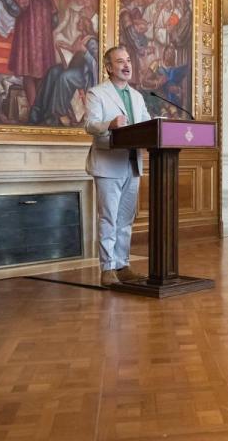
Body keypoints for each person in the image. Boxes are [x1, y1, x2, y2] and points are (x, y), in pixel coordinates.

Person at [84, 45, 151, 286]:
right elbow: (90, 125)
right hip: (108, 164)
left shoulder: (137, 96)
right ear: (109, 67)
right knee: (109, 218)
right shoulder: (97, 93)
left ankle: (123, 265)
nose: (126, 65)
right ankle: (107, 268)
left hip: (132, 163)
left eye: (129, 60)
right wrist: (110, 124)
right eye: (120, 61)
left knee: (126, 219)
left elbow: (146, 126)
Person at [0, 0, 57, 119]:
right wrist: (44, 29)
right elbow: (55, 19)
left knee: (28, 74)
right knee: (42, 74)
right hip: (43, 43)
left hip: (28, 40)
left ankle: (33, 111)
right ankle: (40, 111)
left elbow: (15, 10)